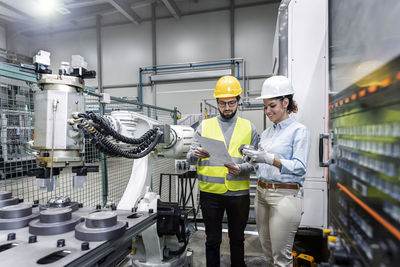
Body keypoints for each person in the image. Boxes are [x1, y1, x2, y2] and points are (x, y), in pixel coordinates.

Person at [187, 75, 259, 267]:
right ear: (217, 103)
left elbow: (255, 163)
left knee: (237, 239)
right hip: (210, 193)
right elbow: (189, 158)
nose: (227, 108)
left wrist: (241, 168)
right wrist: (196, 155)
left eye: (231, 103)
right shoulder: (204, 126)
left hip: (239, 194)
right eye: (223, 103)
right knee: (212, 240)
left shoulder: (249, 128)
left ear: (238, 101)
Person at [242, 76, 310, 267]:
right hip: (262, 194)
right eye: (265, 107)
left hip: (285, 195)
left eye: (272, 106)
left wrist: (270, 159)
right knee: (268, 253)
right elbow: (263, 166)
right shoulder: (267, 133)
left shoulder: (299, 131)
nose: (267, 111)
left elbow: (300, 167)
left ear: (285, 102)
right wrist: (253, 160)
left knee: (281, 257)